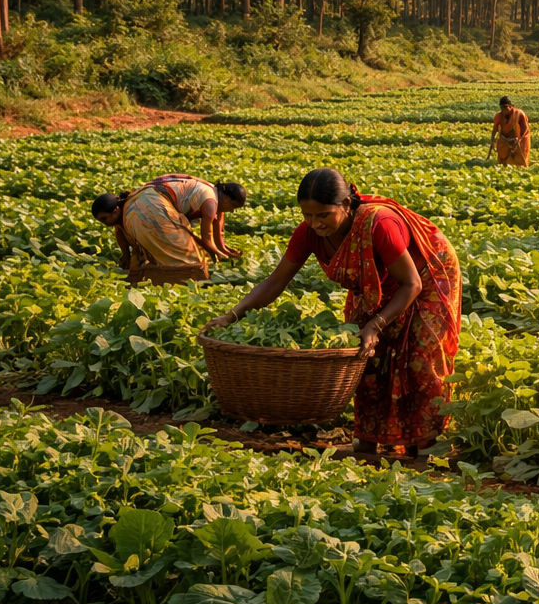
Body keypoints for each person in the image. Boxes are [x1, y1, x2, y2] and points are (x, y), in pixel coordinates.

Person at [203, 168, 462, 459]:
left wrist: (376, 324)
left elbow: (411, 284)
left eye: (323, 215)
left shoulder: (379, 225)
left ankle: (428, 446)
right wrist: (231, 315)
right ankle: (367, 442)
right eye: (307, 215)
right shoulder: (309, 234)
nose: (314, 223)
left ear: (346, 205)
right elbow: (275, 281)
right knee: (364, 355)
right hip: (376, 284)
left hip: (426, 276)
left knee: (418, 357)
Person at [91, 175, 246, 283]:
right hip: (151, 208)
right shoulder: (210, 201)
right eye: (233, 207)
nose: (231, 211)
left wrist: (225, 251)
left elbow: (217, 234)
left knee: (163, 247)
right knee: (183, 257)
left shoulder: (210, 193)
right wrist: (217, 256)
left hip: (146, 202)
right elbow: (207, 239)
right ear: (226, 198)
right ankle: (183, 282)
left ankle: (143, 277)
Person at [491, 96, 531, 167]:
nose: (504, 110)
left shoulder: (519, 114)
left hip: (519, 139)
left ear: (510, 107)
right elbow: (495, 129)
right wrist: (492, 141)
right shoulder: (498, 116)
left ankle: (522, 166)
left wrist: (519, 139)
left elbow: (525, 128)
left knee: (520, 156)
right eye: (502, 108)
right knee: (503, 154)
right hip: (506, 139)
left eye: (505, 108)